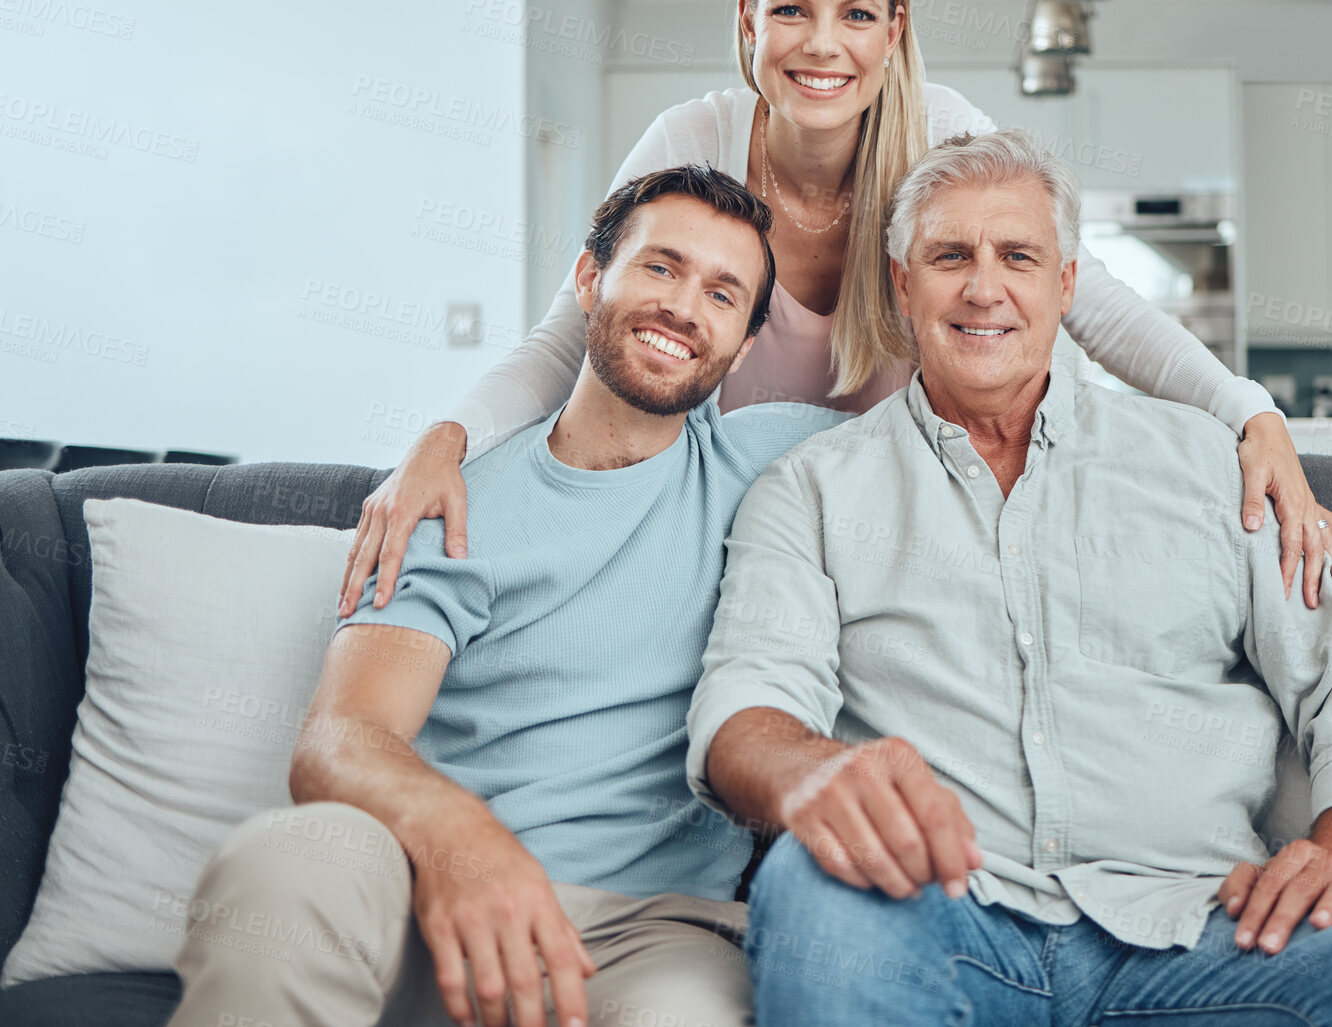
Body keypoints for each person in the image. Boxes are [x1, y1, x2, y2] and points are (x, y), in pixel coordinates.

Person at [686, 131, 1332, 1026]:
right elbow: (749, 703)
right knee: (809, 890)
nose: (984, 287)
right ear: (903, 285)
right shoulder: (811, 487)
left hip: (1206, 932)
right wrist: (807, 771)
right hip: (933, 918)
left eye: (1018, 255)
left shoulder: (1212, 463)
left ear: (1065, 285)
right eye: (949, 256)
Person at [338, 0, 1332, 623]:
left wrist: (1249, 414)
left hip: (911, 520)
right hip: (730, 528)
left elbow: (1089, 302)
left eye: (853, 15)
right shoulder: (690, 142)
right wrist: (444, 440)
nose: (819, 45)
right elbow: (570, 336)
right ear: (747, 25)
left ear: (892, 33)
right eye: (789, 10)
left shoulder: (941, 131)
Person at [167, 166, 849, 1027]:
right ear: (589, 278)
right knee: (283, 860)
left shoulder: (775, 466)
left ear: (744, 345)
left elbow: (969, 412)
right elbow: (342, 737)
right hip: (431, 893)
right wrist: (460, 841)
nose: (683, 308)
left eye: (722, 294)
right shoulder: (452, 499)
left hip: (653, 931)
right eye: (661, 267)